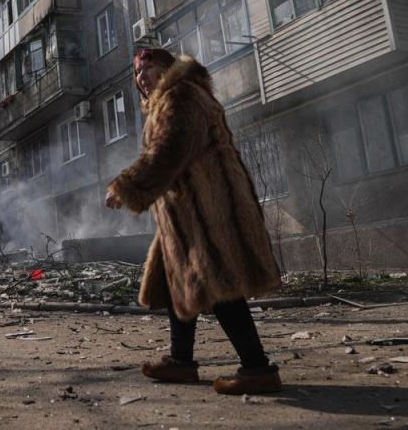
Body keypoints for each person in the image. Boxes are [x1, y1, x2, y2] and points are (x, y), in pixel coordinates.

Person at [105, 48, 283, 395]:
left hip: (209, 210)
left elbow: (170, 151)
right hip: (189, 213)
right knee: (176, 280)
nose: (141, 78)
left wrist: (126, 186)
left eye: (147, 68)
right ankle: (181, 362)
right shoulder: (169, 99)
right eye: (137, 74)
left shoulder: (181, 95)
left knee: (218, 283)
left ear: (166, 67)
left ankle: (257, 367)